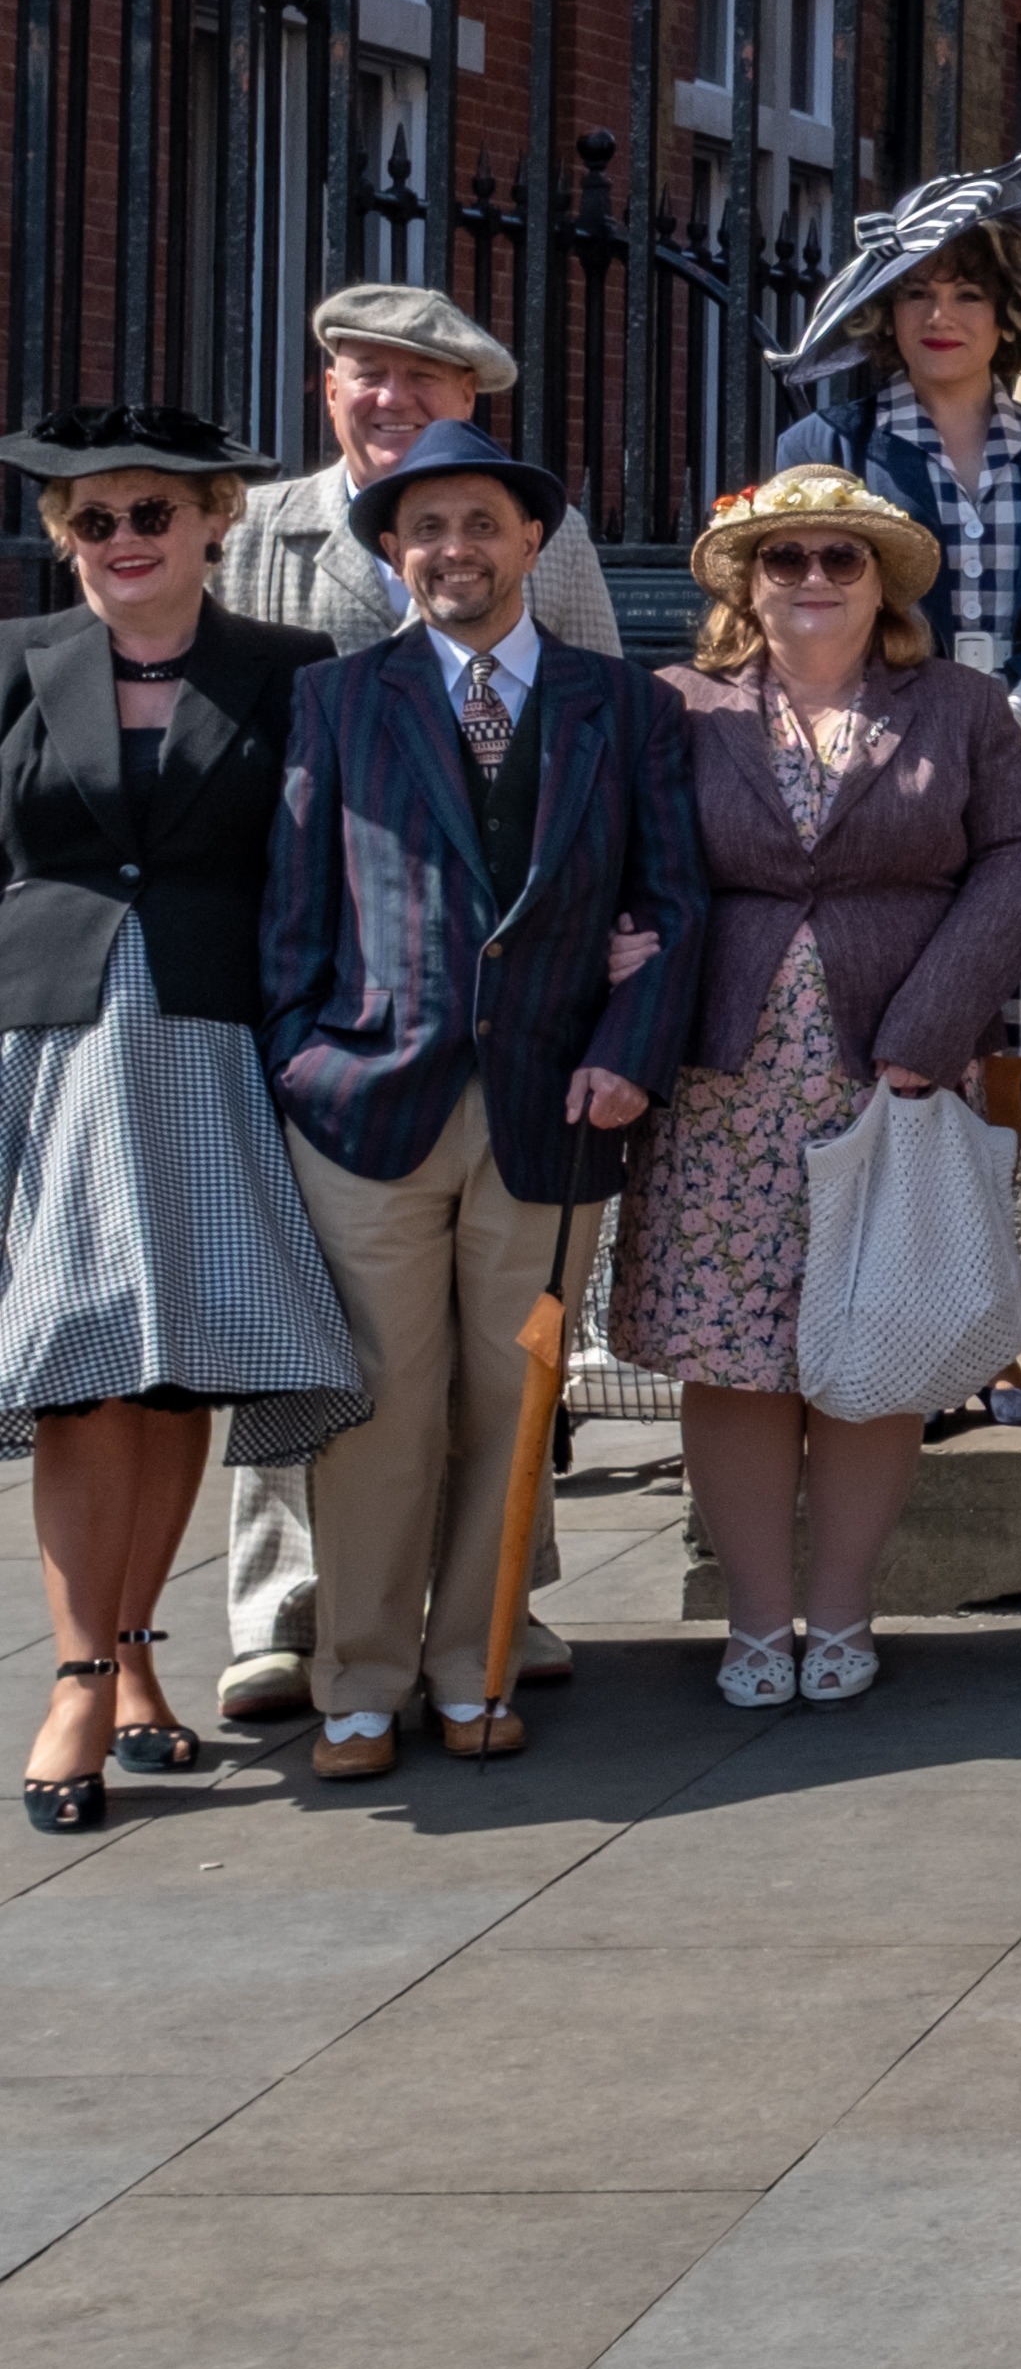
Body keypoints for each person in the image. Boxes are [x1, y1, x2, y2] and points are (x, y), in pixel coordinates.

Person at [260, 421, 703, 1774]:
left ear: (531, 542)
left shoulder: (620, 704)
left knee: (511, 1396)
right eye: (425, 530)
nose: (454, 549)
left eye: (479, 525)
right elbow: (295, 910)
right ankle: (359, 1673)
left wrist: (630, 1048)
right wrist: (301, 1054)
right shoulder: (341, 699)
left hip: (553, 1100)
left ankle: (477, 1662)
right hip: (368, 1103)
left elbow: (672, 900)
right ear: (395, 557)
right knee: (382, 1400)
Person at [218, 281, 618, 1728]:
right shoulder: (263, 526)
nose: (385, 397)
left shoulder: (530, 539)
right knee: (326, 1338)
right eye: (360, 374)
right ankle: (287, 1610)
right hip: (341, 985)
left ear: (470, 402)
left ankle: (501, 1601)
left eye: (418, 379)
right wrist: (294, 1031)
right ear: (325, 388)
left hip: (512, 1011)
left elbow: (593, 734)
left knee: (499, 1354)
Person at [632, 467, 1021, 1712]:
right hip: (725, 1081)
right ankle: (759, 1618)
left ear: (885, 585)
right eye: (786, 558)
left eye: (842, 559)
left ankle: (846, 1608)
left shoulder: (962, 707)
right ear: (743, 583)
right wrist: (627, 943)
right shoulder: (680, 707)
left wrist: (933, 1024)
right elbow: (629, 852)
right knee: (739, 1353)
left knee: (880, 1335)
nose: (813, 578)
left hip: (893, 1072)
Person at [0, 406, 356, 1830]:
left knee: (171, 1367)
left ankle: (140, 1657)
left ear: (218, 521)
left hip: (215, 1039)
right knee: (78, 1362)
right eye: (95, 520)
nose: (125, 541)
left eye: (154, 513)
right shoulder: (19, 666)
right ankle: (81, 1676)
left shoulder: (292, 673)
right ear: (63, 538)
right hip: (49, 1047)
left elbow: (331, 856)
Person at [774, 166, 1021, 756]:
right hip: (876, 756)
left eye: (968, 294)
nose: (941, 316)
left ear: (1007, 309)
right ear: (889, 311)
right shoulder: (822, 448)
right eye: (918, 293)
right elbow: (805, 605)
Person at [232, 285, 629, 652]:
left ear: (467, 395)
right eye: (370, 375)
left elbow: (603, 703)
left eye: (423, 375)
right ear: (333, 393)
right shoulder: (250, 530)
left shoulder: (558, 538)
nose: (393, 398)